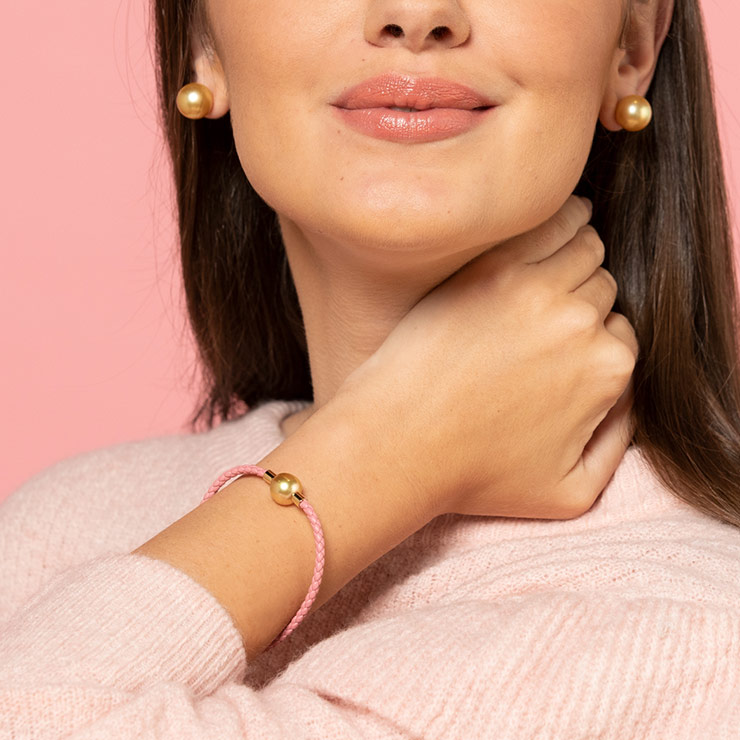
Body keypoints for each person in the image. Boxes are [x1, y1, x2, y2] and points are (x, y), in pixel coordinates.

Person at [2, 0, 739, 737]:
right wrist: (385, 456)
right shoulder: (64, 523)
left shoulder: (686, 636)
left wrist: (380, 459)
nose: (414, 14)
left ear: (633, 43)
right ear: (202, 36)